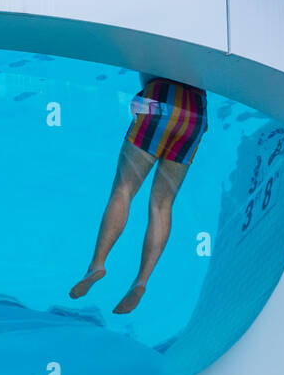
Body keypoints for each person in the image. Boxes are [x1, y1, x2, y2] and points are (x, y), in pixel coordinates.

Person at [69, 73, 208, 314]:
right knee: (162, 205)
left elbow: (147, 67)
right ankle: (141, 281)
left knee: (123, 190)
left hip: (160, 101)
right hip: (195, 115)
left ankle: (97, 264)